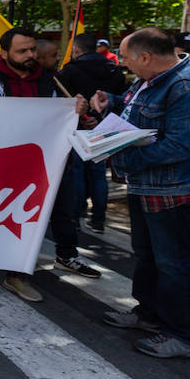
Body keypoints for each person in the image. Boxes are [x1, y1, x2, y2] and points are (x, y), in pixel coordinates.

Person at [91, 28, 190, 359]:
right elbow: (139, 112)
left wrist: (116, 153)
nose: (122, 64)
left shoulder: (187, 86)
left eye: (126, 58)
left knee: (175, 263)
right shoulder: (151, 79)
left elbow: (177, 145)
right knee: (148, 255)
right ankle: (149, 314)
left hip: (172, 189)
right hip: (145, 185)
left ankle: (185, 336)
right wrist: (112, 102)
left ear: (146, 57)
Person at [0, 28, 91, 298]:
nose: (30, 55)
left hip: (37, 167)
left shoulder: (53, 83)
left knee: (27, 222)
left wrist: (79, 110)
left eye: (32, 49)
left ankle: (16, 275)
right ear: (4, 53)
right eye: (22, 51)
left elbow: (75, 121)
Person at [58, 32, 128, 233]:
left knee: (77, 173)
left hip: (78, 128)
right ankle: (98, 219)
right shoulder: (114, 70)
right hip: (104, 126)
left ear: (77, 50)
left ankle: (76, 215)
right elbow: (122, 100)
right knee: (98, 175)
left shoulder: (70, 71)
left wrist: (82, 118)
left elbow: (64, 102)